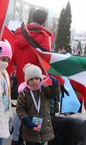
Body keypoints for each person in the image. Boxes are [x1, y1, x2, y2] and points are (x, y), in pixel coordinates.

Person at [9, 9, 65, 145]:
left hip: (24, 81)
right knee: (36, 114)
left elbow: (13, 59)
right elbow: (46, 62)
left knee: (21, 109)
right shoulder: (44, 36)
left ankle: (17, 139)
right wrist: (59, 81)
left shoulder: (18, 34)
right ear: (44, 21)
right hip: (37, 84)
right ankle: (32, 141)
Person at [16, 63, 60, 145]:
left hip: (44, 127)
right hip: (29, 127)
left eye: (37, 78)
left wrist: (55, 84)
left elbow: (54, 93)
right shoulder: (24, 93)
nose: (34, 81)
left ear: (40, 79)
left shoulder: (44, 89)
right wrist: (26, 119)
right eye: (31, 79)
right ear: (27, 81)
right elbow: (20, 108)